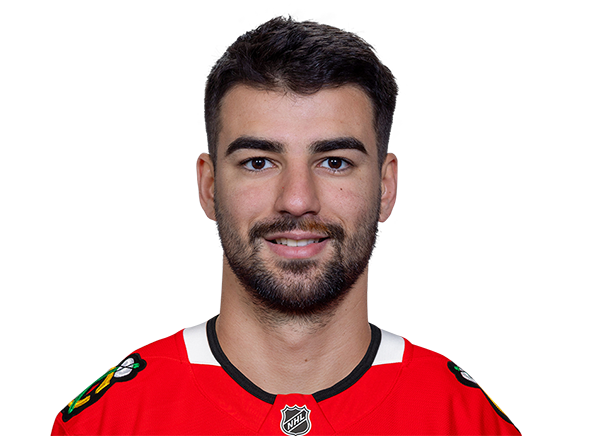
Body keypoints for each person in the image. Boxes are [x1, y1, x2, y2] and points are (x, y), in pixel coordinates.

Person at [52, 20, 521, 435]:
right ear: (209, 187)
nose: (297, 200)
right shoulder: (105, 423)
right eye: (258, 162)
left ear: (386, 188)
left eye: (334, 162)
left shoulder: (467, 422)